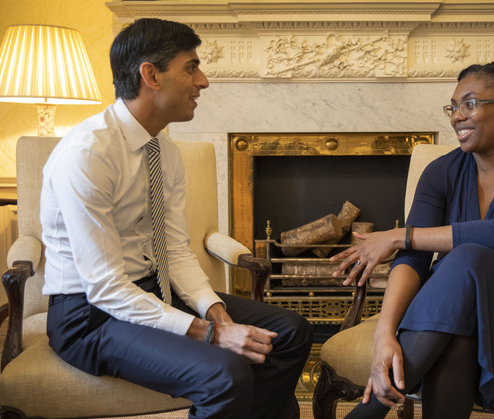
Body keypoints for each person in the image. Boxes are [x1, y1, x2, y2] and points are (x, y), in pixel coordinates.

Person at [40, 18, 313, 419]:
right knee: (226, 374)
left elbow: (173, 251)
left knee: (291, 331)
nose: (203, 81)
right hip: (89, 316)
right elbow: (105, 287)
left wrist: (215, 312)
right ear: (150, 74)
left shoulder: (164, 153)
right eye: (191, 67)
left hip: (154, 291)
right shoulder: (88, 155)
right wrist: (213, 335)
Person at [331, 61, 494, 418]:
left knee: (465, 257)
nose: (457, 116)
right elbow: (412, 260)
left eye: (470, 104)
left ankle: (367, 412)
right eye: (453, 107)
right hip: (456, 300)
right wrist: (385, 333)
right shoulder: (441, 170)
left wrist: (399, 235)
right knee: (457, 338)